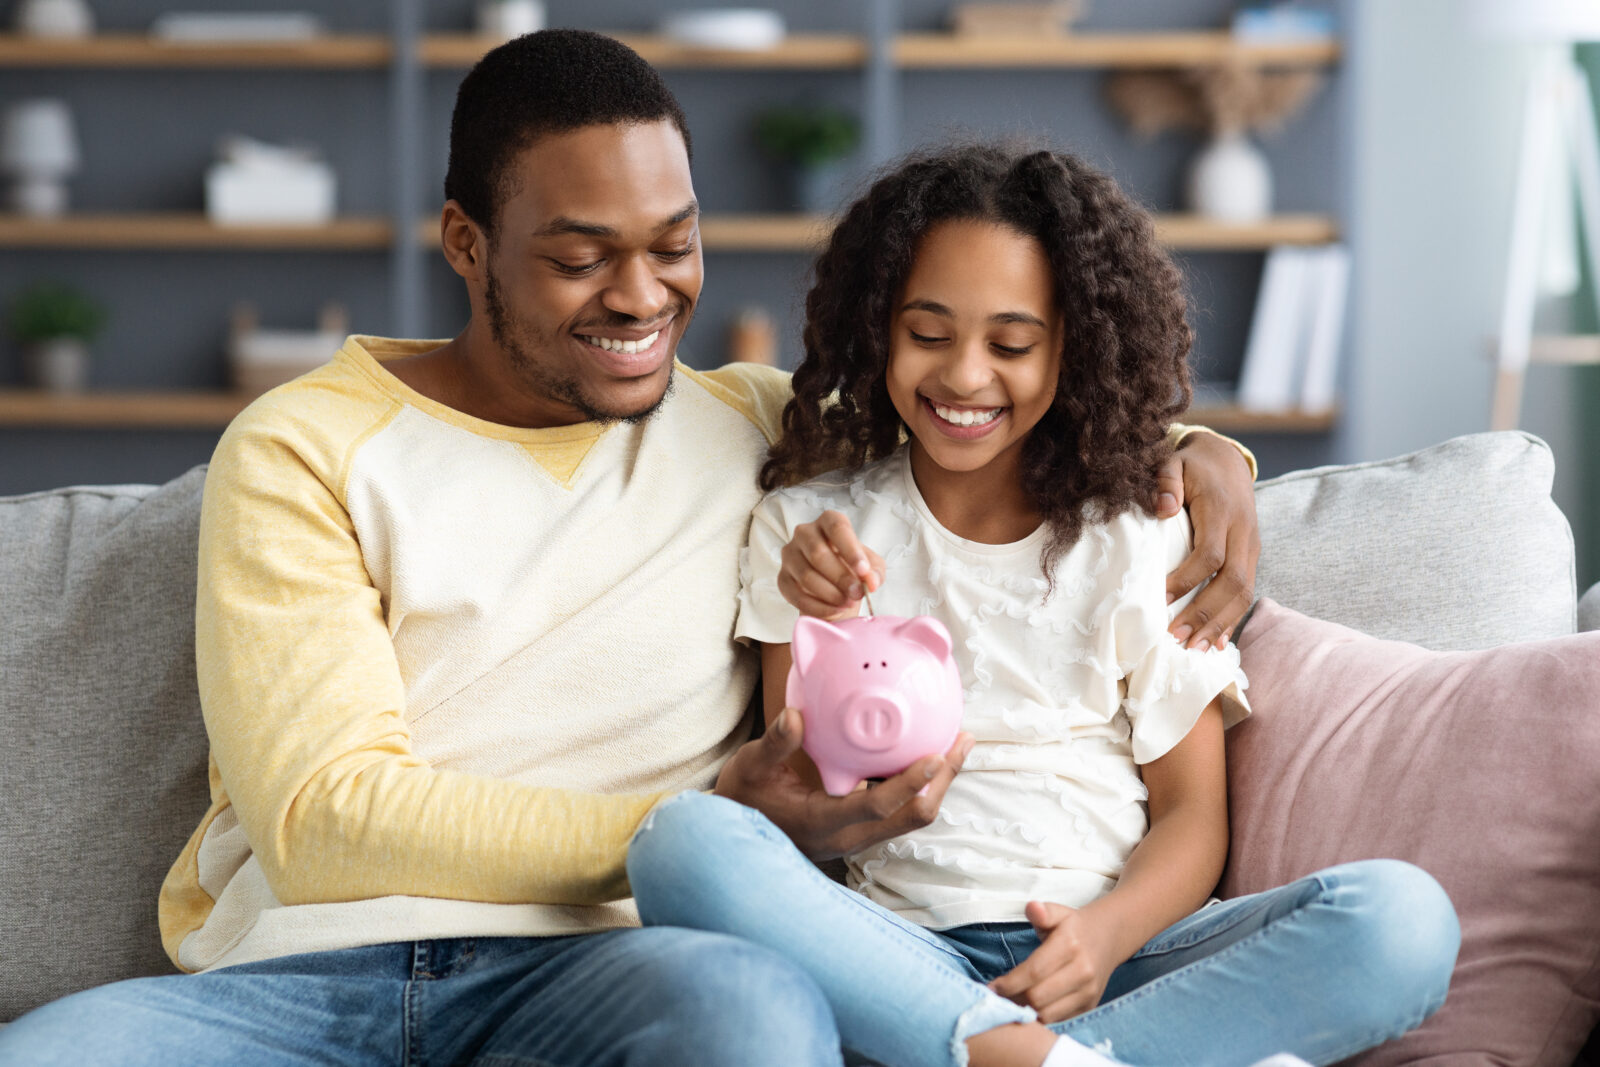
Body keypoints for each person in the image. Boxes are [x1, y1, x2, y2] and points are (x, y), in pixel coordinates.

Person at [0, 33, 1262, 1066]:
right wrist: (705, 820)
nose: (642, 297)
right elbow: (323, 821)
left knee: (758, 1013)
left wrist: (1202, 451)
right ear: (465, 244)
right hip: (296, 983)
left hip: (618, 967)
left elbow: (984, 411)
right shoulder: (302, 446)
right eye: (579, 257)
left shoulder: (754, 421)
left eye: (673, 246)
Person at [626, 143, 1462, 1067]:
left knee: (1403, 920)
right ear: (878, 327)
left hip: (1119, 959)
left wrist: (1100, 939)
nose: (965, 378)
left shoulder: (1143, 532)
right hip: (904, 957)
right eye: (928, 333)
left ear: (1076, 347)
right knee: (683, 841)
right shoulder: (810, 531)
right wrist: (823, 622)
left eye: (1012, 345)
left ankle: (1006, 1055)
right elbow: (800, 808)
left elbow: (1193, 817)